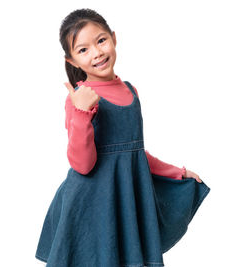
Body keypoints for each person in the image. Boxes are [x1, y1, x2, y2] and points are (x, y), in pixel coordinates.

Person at [35, 8, 211, 267]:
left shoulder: (131, 90)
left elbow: (136, 153)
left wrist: (177, 172)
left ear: (114, 38)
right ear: (72, 61)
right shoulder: (79, 98)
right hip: (92, 204)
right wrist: (83, 112)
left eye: (101, 40)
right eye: (83, 50)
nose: (96, 53)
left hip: (126, 200)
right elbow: (82, 164)